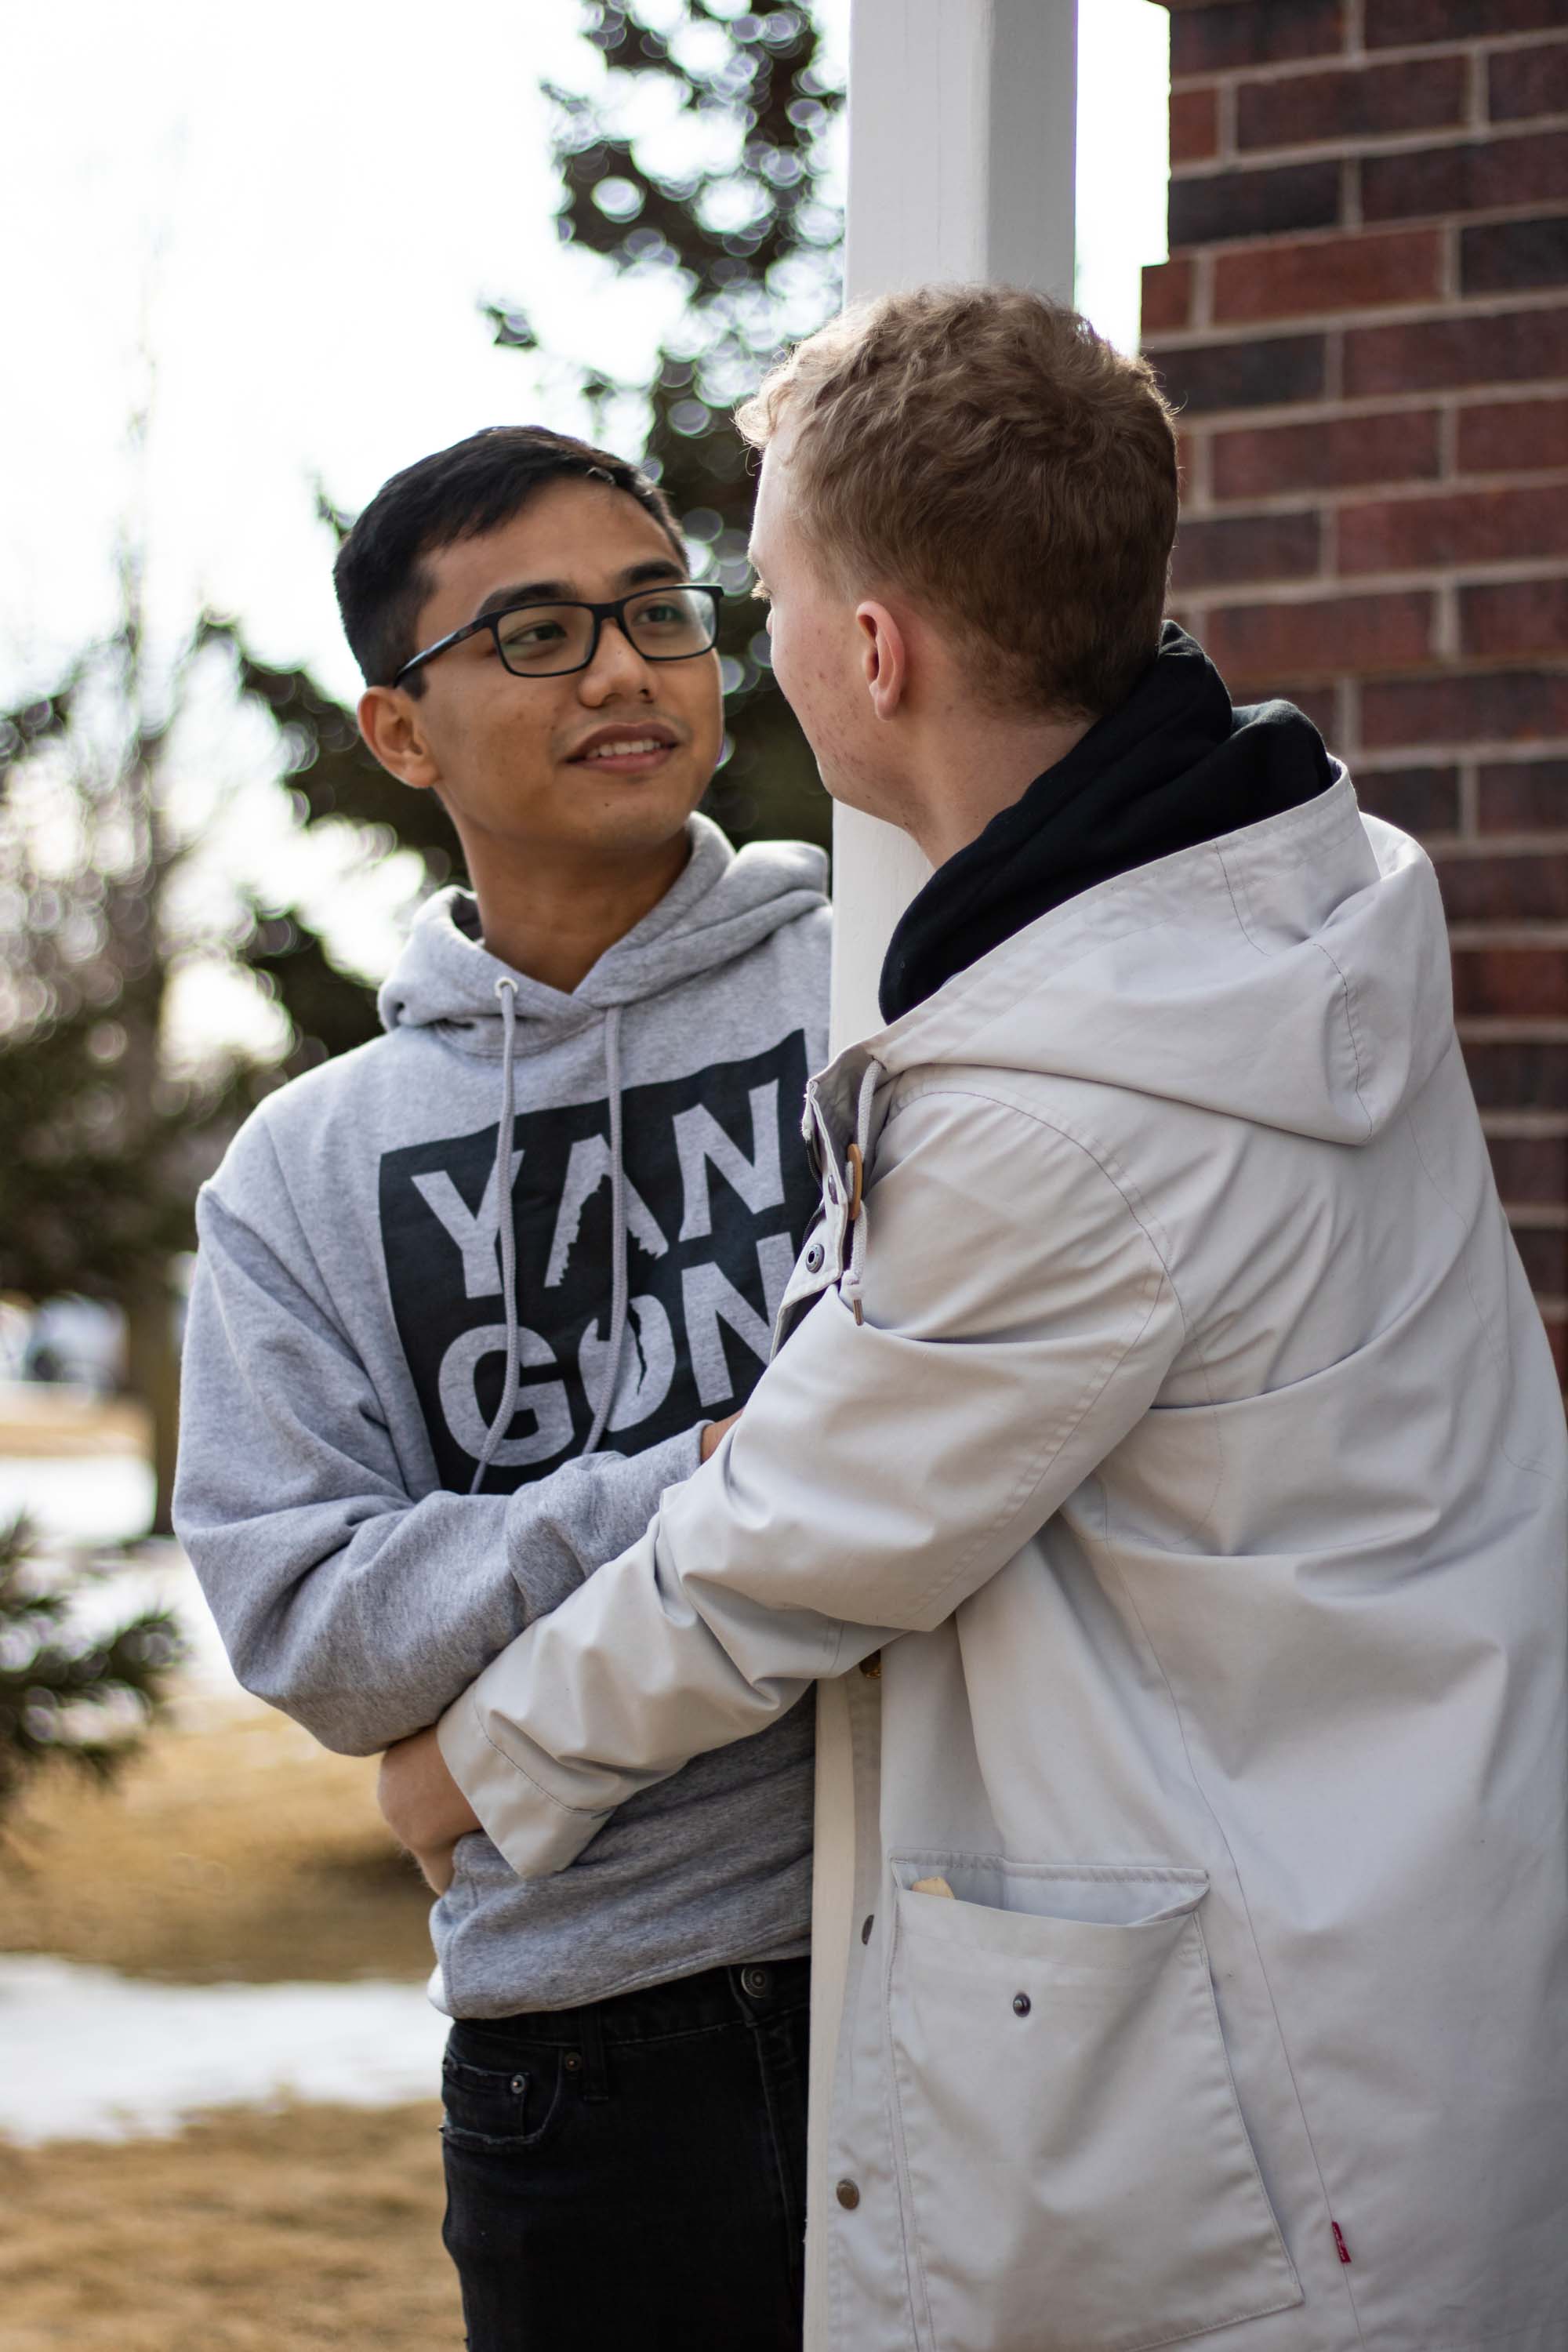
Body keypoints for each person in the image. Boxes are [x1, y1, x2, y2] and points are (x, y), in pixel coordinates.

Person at [383, 292, 1568, 2352]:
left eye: (761, 594)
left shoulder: (1075, 1106)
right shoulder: (1286, 904)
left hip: (1269, 2071)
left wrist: (466, 1766)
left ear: (873, 651)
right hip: (1392, 1898)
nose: (746, 648)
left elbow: (780, 1562)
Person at [172, 424, 831, 2352]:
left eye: (656, 612)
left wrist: (483, 1704)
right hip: (579, 2048)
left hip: (935, 1956)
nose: (625, 672)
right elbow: (320, 1636)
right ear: (401, 732)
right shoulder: (302, 1168)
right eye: (534, 633)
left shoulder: (869, 1001)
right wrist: (683, 1477)